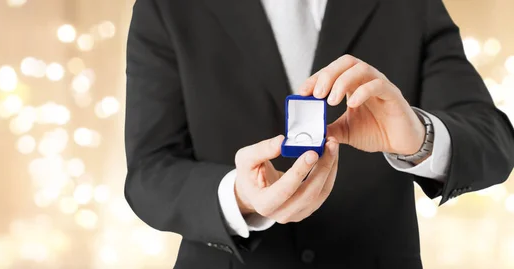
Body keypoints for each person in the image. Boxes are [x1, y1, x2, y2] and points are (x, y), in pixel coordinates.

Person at [124, 0, 514, 268]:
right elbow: (150, 170)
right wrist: (239, 196)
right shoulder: (166, 6)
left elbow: (493, 140)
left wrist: (420, 137)